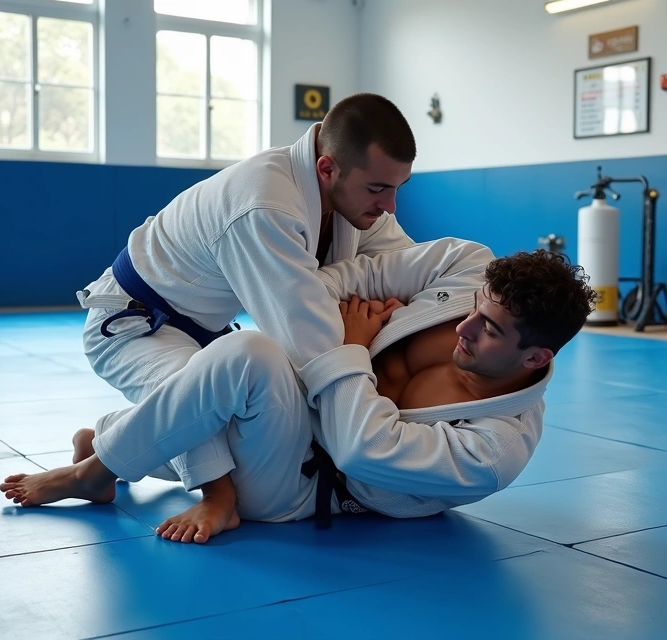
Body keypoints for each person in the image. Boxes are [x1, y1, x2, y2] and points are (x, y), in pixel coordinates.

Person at [1, 239, 598, 543]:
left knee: (238, 354)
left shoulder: (495, 449)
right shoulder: (467, 266)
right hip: (301, 410)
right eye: (475, 309)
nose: (466, 327)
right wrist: (328, 315)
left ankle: (102, 460)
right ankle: (111, 451)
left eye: (489, 330)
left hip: (309, 486)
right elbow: (357, 275)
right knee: (249, 352)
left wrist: (351, 349)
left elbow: (363, 450)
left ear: (536, 357)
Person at [73, 93, 416, 533]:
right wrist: (359, 342)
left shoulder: (355, 198)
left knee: (245, 439)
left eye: (397, 188)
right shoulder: (265, 203)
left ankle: (104, 444)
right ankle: (217, 498)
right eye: (378, 189)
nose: (390, 206)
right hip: (134, 325)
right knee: (194, 402)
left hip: (202, 331)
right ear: (327, 168)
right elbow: (313, 343)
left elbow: (405, 267)